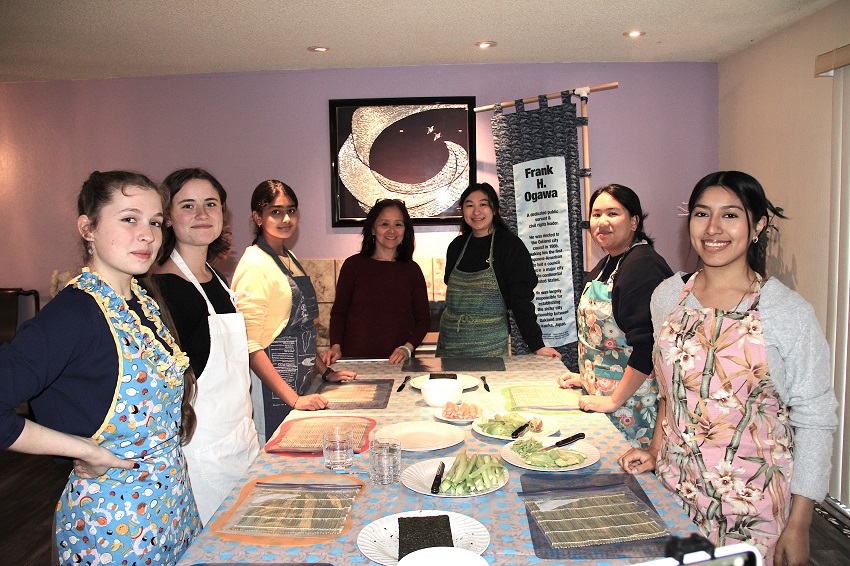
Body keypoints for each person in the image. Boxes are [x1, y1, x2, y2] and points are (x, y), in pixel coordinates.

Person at [618, 171, 837, 565]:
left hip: (752, 508)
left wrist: (800, 524)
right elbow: (670, 391)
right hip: (675, 493)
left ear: (758, 226)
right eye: (702, 214)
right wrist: (654, 449)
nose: (713, 228)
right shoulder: (668, 296)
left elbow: (816, 419)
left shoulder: (786, 313)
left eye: (731, 215)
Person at [0, 171, 200, 564]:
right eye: (129, 218)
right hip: (114, 526)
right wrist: (82, 450)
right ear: (87, 228)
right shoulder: (73, 314)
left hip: (171, 508)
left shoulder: (141, 301)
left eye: (156, 222)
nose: (147, 234)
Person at [152, 168, 260, 524]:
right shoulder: (165, 290)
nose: (201, 214)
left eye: (210, 204)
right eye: (188, 205)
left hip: (242, 436)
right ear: (167, 218)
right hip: (202, 450)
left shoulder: (217, 279)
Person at [232, 179, 356, 443]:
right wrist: (294, 399)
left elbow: (303, 329)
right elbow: (250, 346)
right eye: (275, 211)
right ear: (257, 216)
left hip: (298, 383)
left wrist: (325, 372)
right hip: (272, 392)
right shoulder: (254, 265)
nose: (286, 218)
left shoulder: (289, 258)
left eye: (291, 210)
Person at [556, 184, 672, 448]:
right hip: (605, 394)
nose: (602, 222)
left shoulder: (643, 266)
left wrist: (613, 399)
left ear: (634, 221)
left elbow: (648, 346)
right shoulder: (609, 262)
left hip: (631, 406)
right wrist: (587, 376)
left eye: (612, 214)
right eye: (596, 215)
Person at [436, 182, 561, 358]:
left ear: (494, 209)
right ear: (462, 211)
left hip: (489, 347)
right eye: (469, 205)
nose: (476, 212)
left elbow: (521, 300)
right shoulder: (456, 246)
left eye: (483, 204)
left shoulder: (510, 246)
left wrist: (536, 345)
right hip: (449, 344)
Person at [321, 199, 430, 365]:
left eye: (398, 224)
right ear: (372, 228)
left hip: (398, 364)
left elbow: (423, 319)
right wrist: (336, 346)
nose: (391, 230)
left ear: (405, 230)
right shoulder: (353, 266)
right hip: (354, 362)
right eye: (384, 224)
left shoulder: (412, 270)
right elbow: (339, 313)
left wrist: (407, 348)